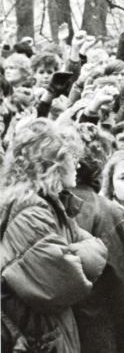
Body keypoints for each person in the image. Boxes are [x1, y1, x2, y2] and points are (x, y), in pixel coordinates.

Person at [1, 118, 108, 353]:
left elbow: (92, 249)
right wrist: (75, 252)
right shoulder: (30, 210)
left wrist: (70, 252)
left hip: (44, 334)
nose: (78, 166)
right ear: (52, 164)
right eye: (72, 158)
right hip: (38, 338)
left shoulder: (47, 204)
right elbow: (63, 284)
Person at [70, 122, 124, 353]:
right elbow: (123, 288)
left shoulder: (42, 206)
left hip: (56, 329)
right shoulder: (108, 213)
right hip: (96, 329)